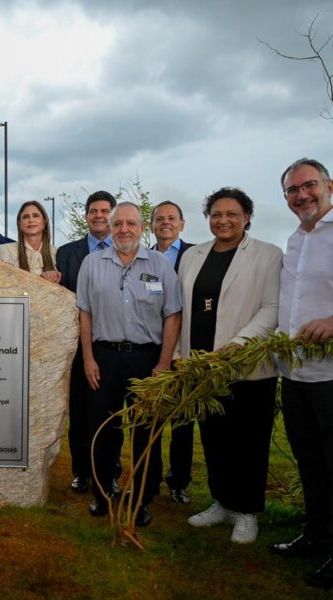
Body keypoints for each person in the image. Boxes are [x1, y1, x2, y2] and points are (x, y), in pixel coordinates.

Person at [177, 188, 281, 544]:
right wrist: (181, 355)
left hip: (247, 368)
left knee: (248, 441)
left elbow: (271, 308)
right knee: (214, 437)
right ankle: (221, 501)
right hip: (203, 367)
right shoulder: (193, 256)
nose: (223, 220)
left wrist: (235, 347)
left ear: (247, 216)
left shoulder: (267, 255)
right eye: (217, 214)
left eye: (232, 214)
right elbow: (184, 308)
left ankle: (247, 511)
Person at [77, 201, 181, 527]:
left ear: (142, 228)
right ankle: (102, 492)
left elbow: (173, 314)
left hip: (147, 359)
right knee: (103, 429)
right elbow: (84, 314)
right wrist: (89, 359)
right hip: (104, 358)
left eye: (131, 224)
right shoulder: (91, 264)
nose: (124, 229)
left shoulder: (161, 265)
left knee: (145, 431)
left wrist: (164, 362)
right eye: (118, 223)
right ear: (109, 227)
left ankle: (142, 497)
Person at [270, 158, 333, 589]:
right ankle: (317, 535)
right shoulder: (295, 240)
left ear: (329, 185)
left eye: (308, 186)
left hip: (332, 376)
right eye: (292, 191)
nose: (301, 196)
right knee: (311, 462)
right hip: (296, 376)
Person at [56, 191, 116, 495]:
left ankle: (110, 472)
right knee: (79, 411)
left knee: (109, 414)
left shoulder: (125, 251)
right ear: (86, 216)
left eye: (105, 211)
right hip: (78, 346)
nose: (99, 216)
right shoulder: (67, 253)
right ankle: (81, 471)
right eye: (93, 211)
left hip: (113, 343)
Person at [149, 200, 195, 505]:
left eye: (171, 218)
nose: (165, 223)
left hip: (186, 348)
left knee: (182, 420)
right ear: (151, 225)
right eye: (159, 219)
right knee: (150, 420)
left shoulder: (196, 255)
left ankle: (179, 482)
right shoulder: (145, 258)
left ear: (182, 223)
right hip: (152, 346)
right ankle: (149, 480)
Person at [0, 200, 60, 283]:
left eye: (35, 216)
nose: (31, 220)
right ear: (19, 224)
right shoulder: (5, 250)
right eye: (26, 217)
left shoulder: (55, 252)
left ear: (44, 223)